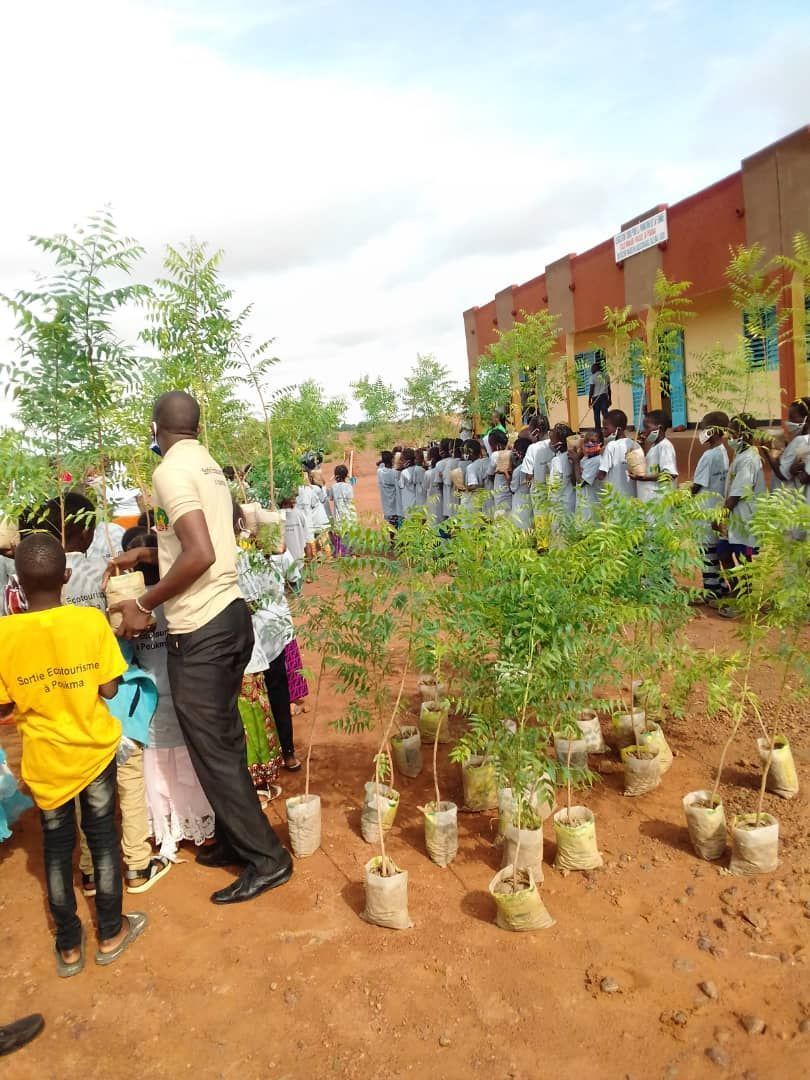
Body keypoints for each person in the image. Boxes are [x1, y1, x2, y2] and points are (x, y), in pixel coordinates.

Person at [107, 390, 292, 906]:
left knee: (213, 749)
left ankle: (267, 859)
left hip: (204, 628)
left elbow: (203, 551)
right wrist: (150, 550)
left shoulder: (170, 471)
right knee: (225, 741)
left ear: (154, 427)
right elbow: (222, 531)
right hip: (231, 617)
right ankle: (237, 838)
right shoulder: (208, 465)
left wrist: (144, 602)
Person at [0, 533, 148, 974]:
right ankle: (110, 930)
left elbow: (5, 706)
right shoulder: (88, 622)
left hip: (46, 761)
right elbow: (108, 687)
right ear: (65, 576)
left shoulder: (5, 635)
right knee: (102, 842)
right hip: (94, 752)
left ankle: (68, 945)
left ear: (18, 582)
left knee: (56, 847)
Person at [39, 496, 171, 896]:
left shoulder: (41, 585)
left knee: (84, 790)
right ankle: (136, 864)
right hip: (116, 697)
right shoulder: (108, 571)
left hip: (67, 704)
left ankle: (91, 871)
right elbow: (131, 627)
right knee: (128, 781)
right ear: (90, 531)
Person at [122, 531, 215, 861]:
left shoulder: (126, 610)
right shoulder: (176, 599)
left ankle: (165, 831)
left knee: (157, 771)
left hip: (148, 704)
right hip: (183, 697)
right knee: (188, 766)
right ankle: (199, 827)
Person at [234, 503, 299, 773]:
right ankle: (288, 752)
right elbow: (290, 584)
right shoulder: (259, 556)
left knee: (257, 702)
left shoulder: (237, 559)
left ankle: (265, 758)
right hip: (273, 635)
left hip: (254, 641)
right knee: (278, 692)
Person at [714, 413, 766, 616]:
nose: (728, 436)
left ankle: (746, 600)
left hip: (744, 518)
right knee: (724, 553)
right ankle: (737, 592)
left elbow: (736, 495)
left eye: (732, 432)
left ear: (743, 434)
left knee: (743, 559)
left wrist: (720, 516)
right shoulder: (741, 456)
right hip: (736, 518)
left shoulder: (749, 459)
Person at [691, 412, 730, 600]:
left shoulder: (708, 456)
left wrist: (684, 498)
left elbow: (697, 485)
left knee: (706, 552)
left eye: (705, 427)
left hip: (705, 509)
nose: (702, 431)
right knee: (714, 550)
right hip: (717, 508)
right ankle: (720, 584)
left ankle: (712, 590)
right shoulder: (722, 452)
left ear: (713, 430)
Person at [759, 396, 810, 494]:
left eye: (792, 418)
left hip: (785, 498)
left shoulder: (800, 441)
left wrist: (766, 451)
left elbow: (783, 474)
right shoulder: (800, 440)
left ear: (806, 418)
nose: (788, 422)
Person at [635, 409, 678, 504]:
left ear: (660, 428)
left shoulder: (665, 446)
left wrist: (644, 478)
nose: (644, 431)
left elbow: (670, 474)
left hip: (658, 501)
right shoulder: (655, 446)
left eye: (647, 428)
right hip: (651, 499)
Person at [596, 409, 639, 498]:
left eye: (606, 428)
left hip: (614, 497)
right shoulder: (636, 445)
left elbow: (601, 475)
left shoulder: (611, 446)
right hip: (632, 496)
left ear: (618, 429)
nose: (603, 431)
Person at [571, 429, 602, 520]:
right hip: (582, 506)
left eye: (593, 441)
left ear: (600, 444)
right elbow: (574, 482)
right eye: (586, 441)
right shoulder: (585, 459)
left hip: (590, 507)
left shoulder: (597, 460)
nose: (589, 444)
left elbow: (580, 483)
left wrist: (576, 461)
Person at [548, 423, 577, 517]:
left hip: (560, 506)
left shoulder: (557, 461)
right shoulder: (575, 455)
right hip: (573, 502)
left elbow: (554, 487)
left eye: (552, 441)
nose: (550, 444)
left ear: (559, 444)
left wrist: (551, 505)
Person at [328, 464, 356, 556]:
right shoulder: (349, 486)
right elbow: (351, 498)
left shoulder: (334, 486)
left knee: (339, 532)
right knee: (349, 531)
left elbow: (331, 498)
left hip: (339, 512)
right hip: (349, 512)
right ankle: (350, 550)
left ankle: (340, 550)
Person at [510, 436, 534, 530]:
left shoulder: (518, 470)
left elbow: (512, 489)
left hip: (519, 503)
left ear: (519, 453)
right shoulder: (533, 465)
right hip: (530, 501)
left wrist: (506, 475)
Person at [488, 429, 513, 517]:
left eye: (491, 445)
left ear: (497, 445)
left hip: (501, 498)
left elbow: (490, 474)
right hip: (512, 497)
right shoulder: (512, 453)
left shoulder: (495, 455)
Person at [588, 356, 611, 437]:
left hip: (596, 398)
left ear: (595, 368)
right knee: (605, 415)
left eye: (592, 368)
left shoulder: (592, 377)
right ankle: (609, 431)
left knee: (596, 415)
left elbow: (591, 389)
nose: (591, 370)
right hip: (604, 397)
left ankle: (598, 432)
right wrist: (610, 399)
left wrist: (589, 400)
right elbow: (609, 388)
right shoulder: (606, 376)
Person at [377, 451, 400, 531]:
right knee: (398, 529)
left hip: (386, 508)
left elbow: (378, 464)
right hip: (396, 507)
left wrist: (382, 460)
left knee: (391, 529)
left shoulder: (380, 472)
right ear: (392, 460)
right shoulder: (396, 473)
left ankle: (392, 542)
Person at [399, 448, 426, 515]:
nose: (401, 462)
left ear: (407, 461)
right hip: (421, 502)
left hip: (408, 503)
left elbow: (401, 485)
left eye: (402, 460)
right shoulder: (422, 470)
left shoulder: (403, 472)